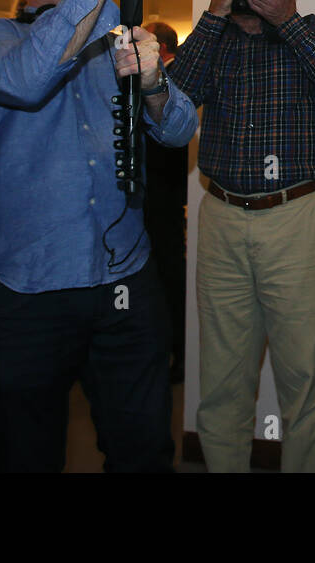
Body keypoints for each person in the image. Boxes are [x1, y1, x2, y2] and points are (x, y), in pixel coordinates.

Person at [0, 0, 197, 472]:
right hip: (23, 289)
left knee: (143, 449)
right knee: (24, 454)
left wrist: (155, 82)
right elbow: (30, 80)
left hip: (124, 280)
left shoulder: (112, 45)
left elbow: (180, 130)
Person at [171, 0, 315, 473]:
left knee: (302, 379)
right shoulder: (212, 38)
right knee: (222, 379)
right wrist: (211, 15)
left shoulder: (312, 29)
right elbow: (174, 101)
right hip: (222, 217)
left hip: (296, 215)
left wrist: (290, 19)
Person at [142, 20, 189, 383]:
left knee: (167, 276)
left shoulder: (175, 77)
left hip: (162, 194)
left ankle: (176, 353)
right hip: (159, 196)